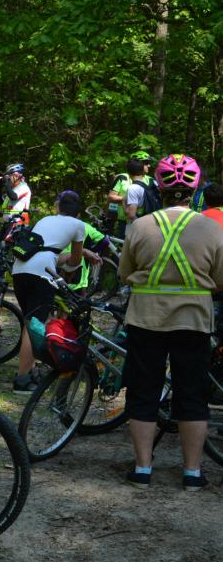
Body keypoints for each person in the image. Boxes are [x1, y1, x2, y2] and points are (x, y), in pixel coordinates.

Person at [119, 154, 223, 491]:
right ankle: (192, 472)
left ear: (160, 189)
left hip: (145, 318)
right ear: (195, 190)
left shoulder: (140, 226)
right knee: (192, 395)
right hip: (193, 320)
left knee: (143, 392)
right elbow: (220, 279)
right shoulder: (211, 228)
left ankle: (142, 469)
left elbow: (124, 273)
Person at [10, 190, 85, 393]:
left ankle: (31, 370)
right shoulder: (79, 225)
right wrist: (68, 270)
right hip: (41, 275)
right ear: (78, 213)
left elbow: (46, 251)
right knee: (34, 325)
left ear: (59, 208)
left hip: (19, 270)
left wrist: (62, 261)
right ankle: (22, 380)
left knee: (31, 321)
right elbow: (76, 259)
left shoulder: (45, 220)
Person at [107, 153, 151, 238]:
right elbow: (111, 197)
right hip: (124, 221)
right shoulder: (122, 177)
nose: (149, 165)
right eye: (146, 163)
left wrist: (130, 200)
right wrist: (127, 199)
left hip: (144, 219)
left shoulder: (151, 180)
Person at [124, 155, 156, 226]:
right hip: (151, 223)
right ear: (142, 170)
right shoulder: (149, 185)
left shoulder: (133, 188)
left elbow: (131, 214)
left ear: (128, 172)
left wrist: (124, 203)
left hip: (138, 226)